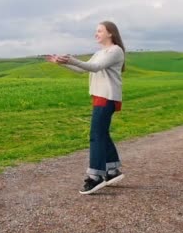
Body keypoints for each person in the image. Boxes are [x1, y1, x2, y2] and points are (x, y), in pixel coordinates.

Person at [46, 21, 126, 195]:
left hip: (108, 97)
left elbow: (95, 68)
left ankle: (95, 177)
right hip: (100, 96)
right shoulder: (99, 53)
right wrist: (62, 63)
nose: (96, 34)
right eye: (96, 31)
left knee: (96, 135)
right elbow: (82, 70)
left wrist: (72, 58)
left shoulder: (115, 51)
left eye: (99, 31)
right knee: (102, 133)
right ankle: (112, 171)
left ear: (110, 33)